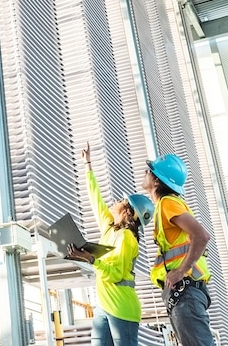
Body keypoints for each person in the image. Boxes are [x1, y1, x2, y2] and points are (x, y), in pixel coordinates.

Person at [66, 144, 155, 346]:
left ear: (127, 213)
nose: (116, 201)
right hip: (104, 306)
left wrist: (90, 259)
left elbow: (115, 274)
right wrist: (87, 165)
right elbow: (95, 199)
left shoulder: (126, 238)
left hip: (122, 307)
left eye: (123, 201)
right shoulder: (109, 227)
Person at [143, 152, 214, 346]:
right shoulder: (164, 206)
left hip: (186, 292)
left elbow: (201, 236)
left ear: (157, 181)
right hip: (183, 294)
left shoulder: (167, 203)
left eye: (149, 170)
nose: (145, 172)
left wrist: (180, 271)